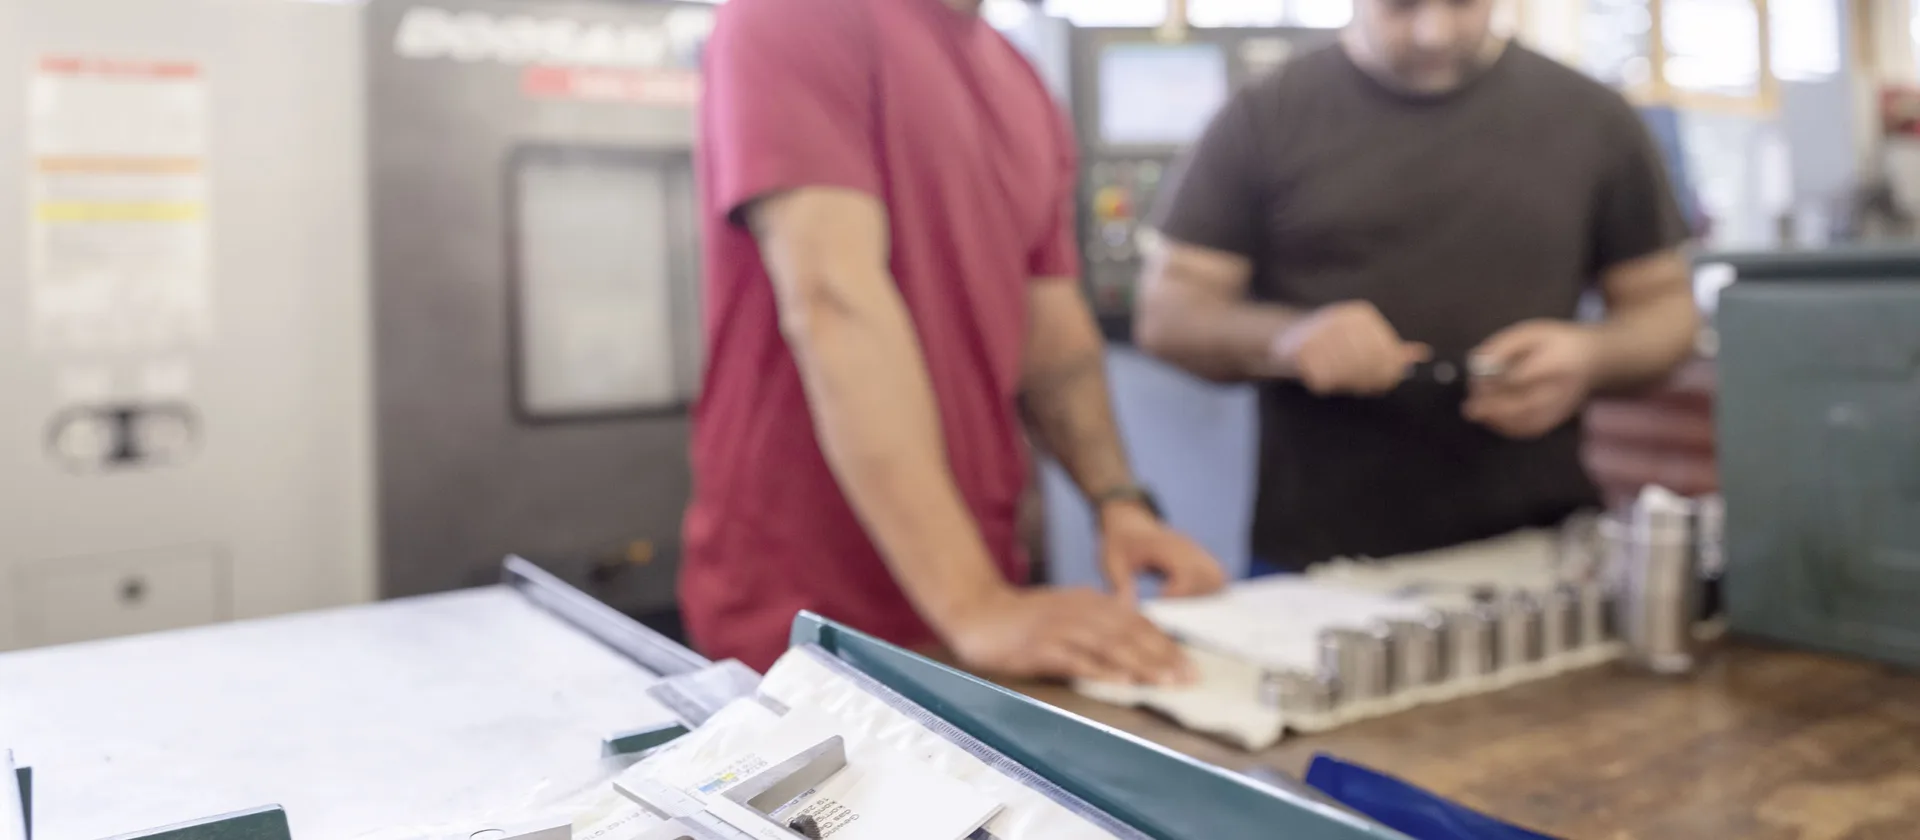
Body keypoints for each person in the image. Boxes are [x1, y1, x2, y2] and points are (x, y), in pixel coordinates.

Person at [682, 0, 1226, 680]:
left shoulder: (1020, 81)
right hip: (806, 610)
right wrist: (973, 603)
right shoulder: (799, 14)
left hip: (968, 604)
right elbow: (833, 298)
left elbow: (1052, 336)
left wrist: (1118, 501)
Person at [1133, 0, 1701, 571]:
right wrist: (1288, 339)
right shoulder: (1267, 114)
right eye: (1402, 6)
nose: (1434, 32)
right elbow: (1168, 313)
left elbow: (1666, 310)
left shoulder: (1591, 117)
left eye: (1463, 4)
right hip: (1320, 557)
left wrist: (1592, 356)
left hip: (1538, 546)